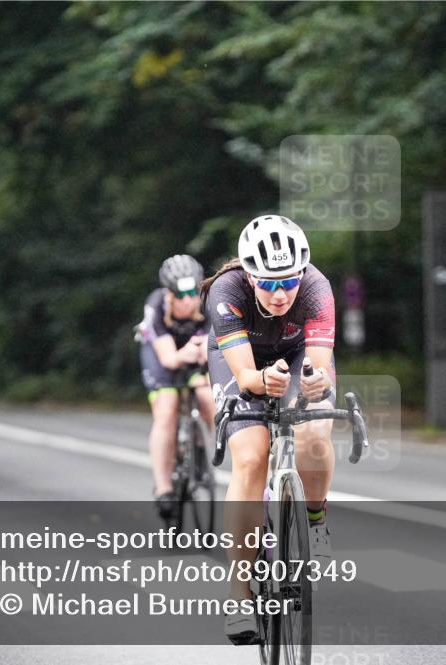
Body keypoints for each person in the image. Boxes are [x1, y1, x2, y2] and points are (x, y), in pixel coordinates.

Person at [201, 214, 336, 645]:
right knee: (251, 457)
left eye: (288, 282)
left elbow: (318, 363)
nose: (279, 294)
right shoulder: (227, 291)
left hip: (295, 353)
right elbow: (245, 377)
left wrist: (315, 382)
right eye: (267, 283)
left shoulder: (316, 288)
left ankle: (314, 518)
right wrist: (261, 381)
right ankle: (239, 593)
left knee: (314, 433)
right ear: (248, 274)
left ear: (302, 273)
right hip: (239, 357)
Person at [134, 255, 215, 521]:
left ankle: (201, 445)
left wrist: (203, 351)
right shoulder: (156, 306)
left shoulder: (208, 303)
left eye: (192, 292)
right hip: (162, 356)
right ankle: (164, 487)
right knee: (166, 409)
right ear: (169, 293)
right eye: (180, 294)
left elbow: (215, 348)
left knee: (206, 395)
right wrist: (190, 352)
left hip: (193, 357)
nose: (187, 300)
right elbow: (169, 359)